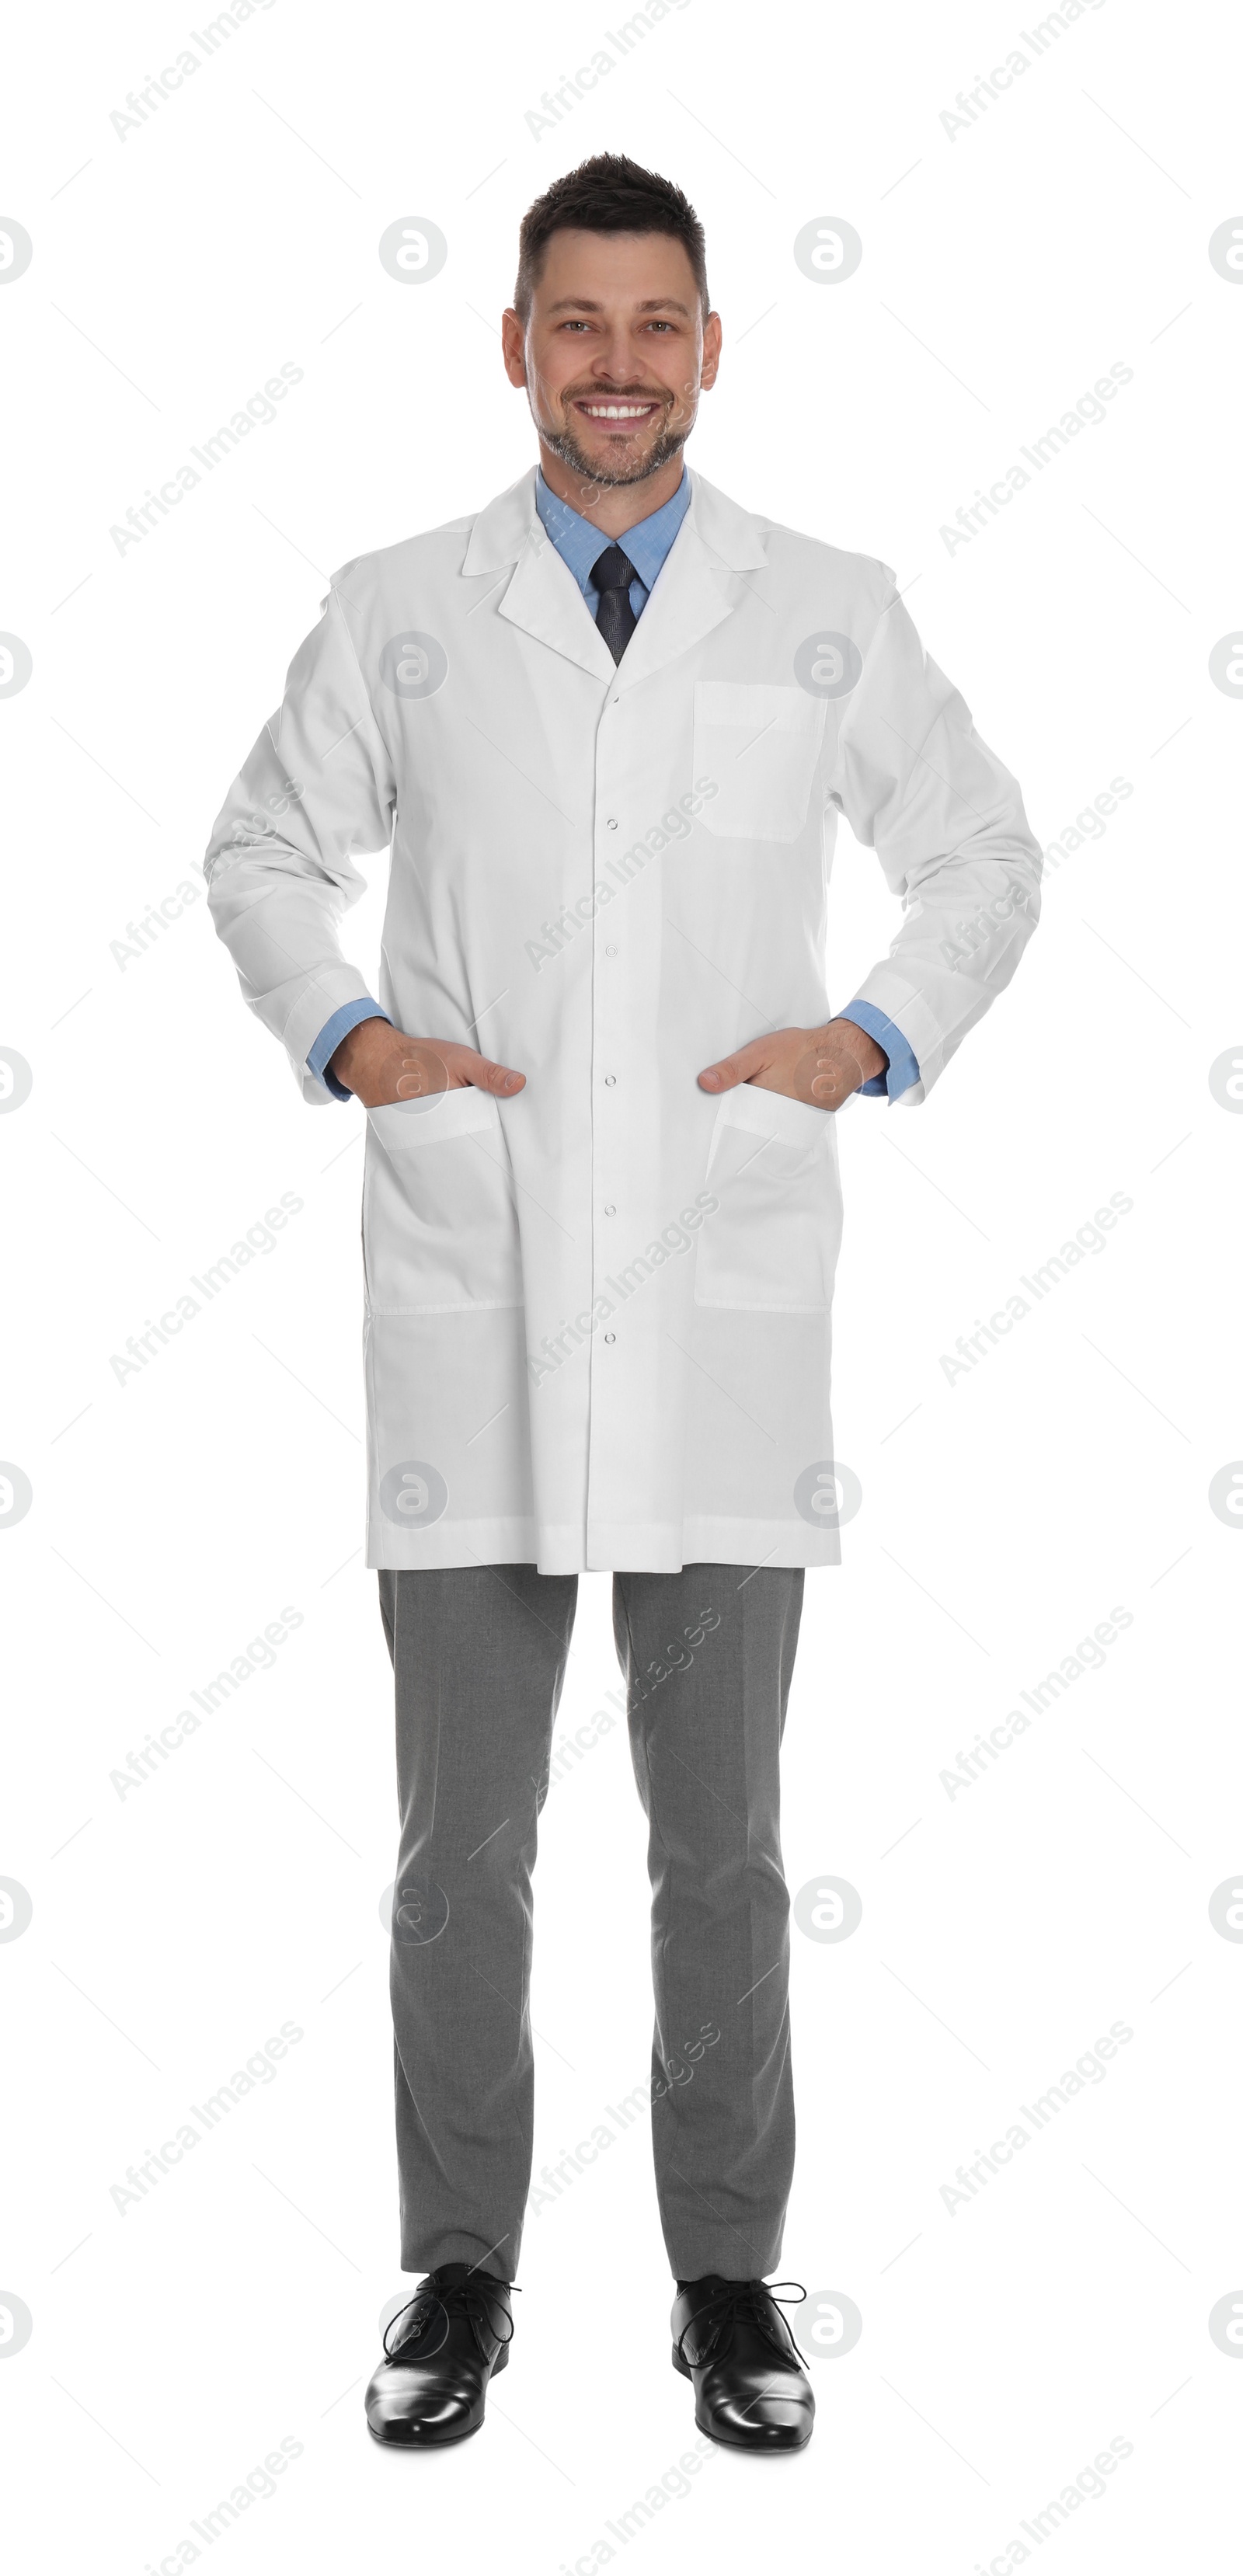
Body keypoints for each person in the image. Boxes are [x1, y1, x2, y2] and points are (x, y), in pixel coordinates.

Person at [204, 151, 1041, 2455]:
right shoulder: (404, 604)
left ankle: (726, 2273)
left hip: (723, 1285)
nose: (615, 368)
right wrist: (353, 1039)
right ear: (513, 349)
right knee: (459, 1838)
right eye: (575, 325)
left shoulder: (825, 608)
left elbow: (983, 848)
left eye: (655, 325)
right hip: (472, 1291)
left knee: (728, 1840)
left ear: (709, 349)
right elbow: (264, 848)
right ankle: (459, 2266)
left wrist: (864, 1040)